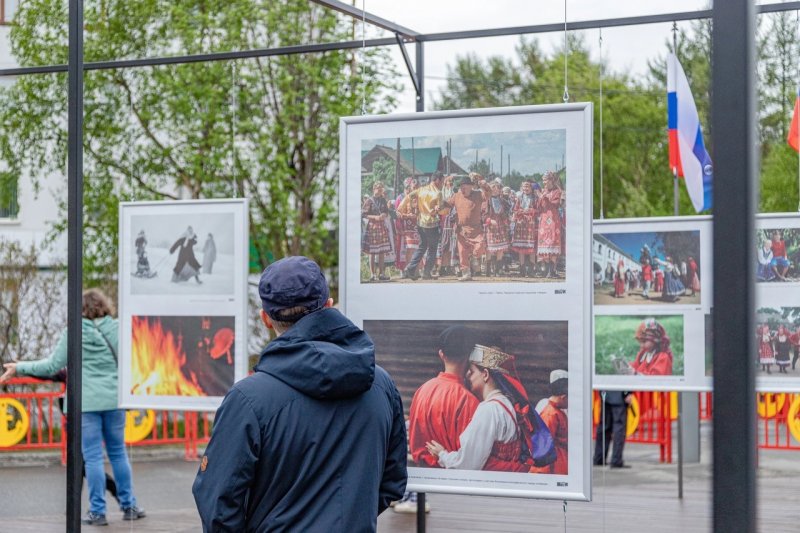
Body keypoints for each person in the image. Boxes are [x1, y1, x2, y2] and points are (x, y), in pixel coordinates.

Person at [192, 256, 407, 531]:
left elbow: (217, 504)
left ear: (266, 319)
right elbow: (392, 481)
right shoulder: (381, 384)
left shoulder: (248, 399)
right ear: (328, 305)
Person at [0, 289, 146, 526]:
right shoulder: (119, 328)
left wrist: (20, 367)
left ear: (80, 309)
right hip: (115, 400)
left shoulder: (74, 332)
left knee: (93, 457)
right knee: (119, 453)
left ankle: (98, 512)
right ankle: (129, 506)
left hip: (85, 403)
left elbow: (51, 366)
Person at [398, 326, 477, 515]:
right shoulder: (469, 401)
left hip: (421, 472)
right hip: (451, 486)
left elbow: (415, 436)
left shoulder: (422, 390)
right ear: (468, 355)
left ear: (441, 354)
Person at [425, 345, 536, 472]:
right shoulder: (507, 405)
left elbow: (467, 465)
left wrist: (442, 455)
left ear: (485, 374)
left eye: (471, 371)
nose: (467, 375)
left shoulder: (488, 410)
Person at [444, 175, 491, 281]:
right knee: (462, 253)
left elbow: (488, 194)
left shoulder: (478, 194)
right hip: (461, 230)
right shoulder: (456, 196)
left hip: (476, 229)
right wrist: (440, 204)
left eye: (464, 187)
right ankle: (466, 274)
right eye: (460, 187)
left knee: (481, 245)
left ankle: (475, 257)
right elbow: (447, 204)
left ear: (471, 187)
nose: (462, 189)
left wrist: (485, 186)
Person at [398, 172, 445, 280]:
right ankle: (426, 272)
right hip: (432, 224)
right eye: (442, 181)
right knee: (432, 249)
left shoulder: (421, 190)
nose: (442, 184)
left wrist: (400, 208)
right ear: (437, 180)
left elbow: (408, 196)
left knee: (422, 246)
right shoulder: (438, 193)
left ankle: (410, 268)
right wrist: (441, 207)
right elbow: (439, 211)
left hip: (420, 224)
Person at [531, 370, 568, 475]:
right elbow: (543, 446)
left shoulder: (558, 412)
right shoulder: (550, 414)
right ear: (563, 397)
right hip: (552, 465)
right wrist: (540, 471)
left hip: (560, 461)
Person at [361, 181, 394, 281]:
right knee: (372, 252)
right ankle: (372, 274)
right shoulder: (369, 201)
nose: (380, 190)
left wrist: (384, 215)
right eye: (378, 188)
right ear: (374, 188)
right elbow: (363, 214)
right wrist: (375, 217)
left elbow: (386, 212)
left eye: (381, 188)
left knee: (382, 251)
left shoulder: (383, 200)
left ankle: (382, 273)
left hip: (382, 227)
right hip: (372, 227)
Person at [593, 390, 633, 469]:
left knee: (604, 426)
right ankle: (616, 460)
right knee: (619, 428)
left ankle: (599, 458)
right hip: (619, 395)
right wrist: (627, 393)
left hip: (605, 393)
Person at [536, 171, 563, 279]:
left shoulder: (557, 191)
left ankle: (552, 271)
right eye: (543, 180)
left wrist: (544, 197)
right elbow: (539, 207)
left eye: (545, 180)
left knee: (552, 244)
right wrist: (540, 198)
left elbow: (556, 204)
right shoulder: (543, 191)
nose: (544, 182)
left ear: (551, 180)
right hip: (543, 220)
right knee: (545, 246)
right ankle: (547, 270)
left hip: (553, 220)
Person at [484, 181, 511, 277]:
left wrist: (506, 221)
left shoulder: (502, 200)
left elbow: (507, 212)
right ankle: (488, 270)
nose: (496, 190)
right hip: (490, 225)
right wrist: (489, 220)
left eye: (497, 188)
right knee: (489, 249)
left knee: (501, 248)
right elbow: (483, 214)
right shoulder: (487, 200)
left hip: (500, 225)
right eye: (493, 188)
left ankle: (498, 270)